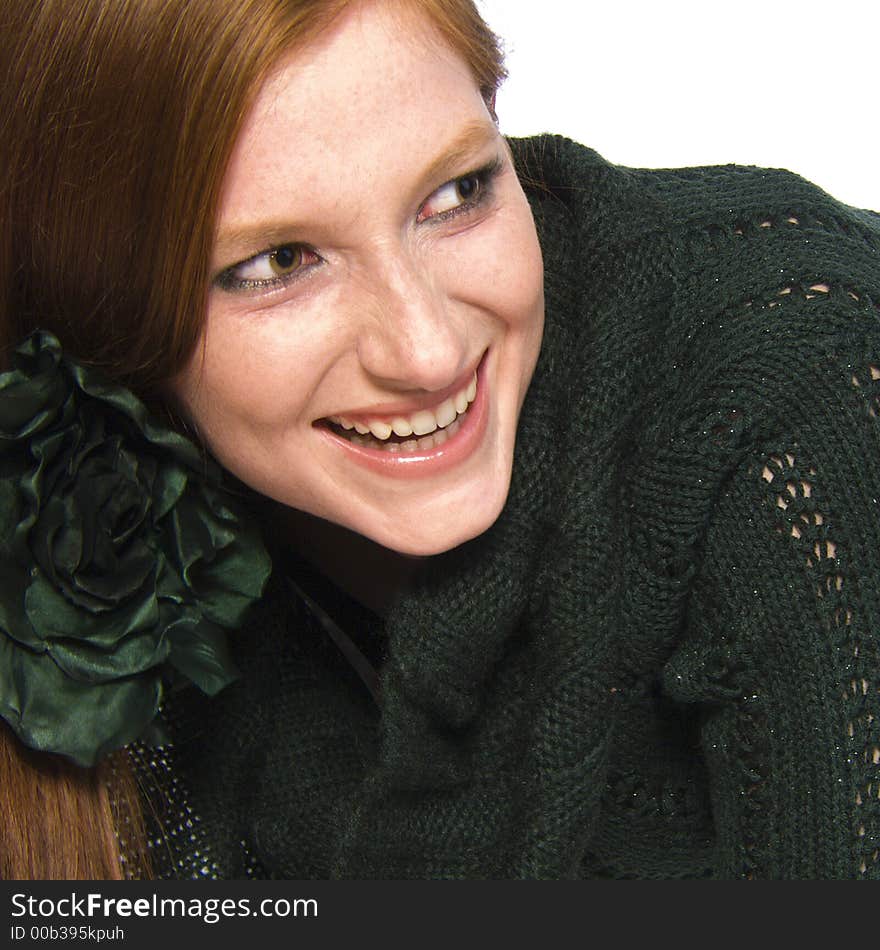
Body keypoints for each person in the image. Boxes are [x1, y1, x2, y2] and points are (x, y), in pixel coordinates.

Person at [1, 0, 878, 881]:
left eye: (457, 193)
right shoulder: (81, 500)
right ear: (106, 308)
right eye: (278, 264)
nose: (428, 352)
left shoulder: (792, 376)